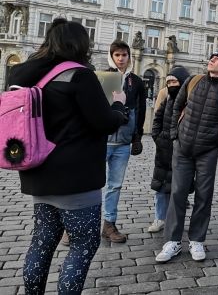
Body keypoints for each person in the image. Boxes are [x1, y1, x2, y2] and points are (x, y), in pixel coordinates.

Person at [9, 18, 127, 295]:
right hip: (75, 177)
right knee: (83, 243)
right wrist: (119, 106)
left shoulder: (24, 74)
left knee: (41, 242)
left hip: (37, 168)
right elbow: (103, 122)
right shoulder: (78, 74)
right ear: (79, 44)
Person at [155, 48, 218, 263]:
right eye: (211, 56)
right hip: (182, 148)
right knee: (178, 193)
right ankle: (172, 241)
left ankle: (196, 240)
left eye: (217, 58)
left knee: (204, 196)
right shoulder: (193, 81)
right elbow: (177, 105)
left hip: (207, 152)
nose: (211, 59)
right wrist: (175, 135)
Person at [102, 39, 147, 243]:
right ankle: (75, 224)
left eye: (124, 55)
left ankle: (109, 224)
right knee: (90, 184)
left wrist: (137, 135)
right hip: (102, 140)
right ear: (111, 56)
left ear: (129, 56)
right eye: (117, 55)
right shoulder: (102, 76)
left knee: (115, 185)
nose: (121, 59)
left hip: (123, 144)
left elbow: (140, 109)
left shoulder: (136, 81)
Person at [149, 66, 190, 233]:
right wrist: (157, 138)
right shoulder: (167, 99)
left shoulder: (190, 101)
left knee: (178, 189)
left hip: (181, 152)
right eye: (169, 82)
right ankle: (160, 218)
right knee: (160, 187)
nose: (172, 85)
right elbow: (157, 118)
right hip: (163, 150)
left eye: (175, 81)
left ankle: (175, 220)